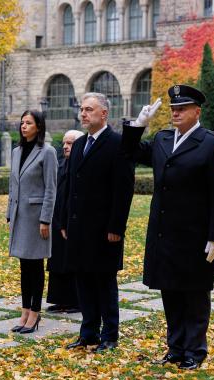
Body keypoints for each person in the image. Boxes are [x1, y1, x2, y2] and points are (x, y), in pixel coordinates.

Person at [121, 84, 214, 370]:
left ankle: (195, 350)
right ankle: (176, 347)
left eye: (182, 109)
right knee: (170, 291)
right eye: (173, 109)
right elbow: (129, 153)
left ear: (197, 112)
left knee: (194, 295)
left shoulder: (212, 143)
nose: (176, 113)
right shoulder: (162, 139)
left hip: (195, 235)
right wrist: (137, 125)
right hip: (164, 233)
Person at [61, 92, 135, 353]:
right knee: (83, 282)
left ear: (104, 114)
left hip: (104, 230)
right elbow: (70, 186)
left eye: (89, 109)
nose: (83, 114)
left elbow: (123, 190)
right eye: (81, 109)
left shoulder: (118, 144)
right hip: (79, 228)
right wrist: (64, 220)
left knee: (104, 283)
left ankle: (110, 335)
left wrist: (116, 227)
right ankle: (88, 333)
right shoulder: (80, 144)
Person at [6, 110, 58, 334]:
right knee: (24, 267)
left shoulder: (47, 152)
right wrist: (10, 214)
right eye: (22, 123)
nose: (23, 126)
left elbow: (51, 189)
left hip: (37, 219)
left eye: (28, 123)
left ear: (39, 126)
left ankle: (35, 313)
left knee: (35, 267)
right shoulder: (17, 151)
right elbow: (12, 185)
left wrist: (45, 219)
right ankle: (25, 310)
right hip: (19, 217)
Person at [46, 130, 84, 313]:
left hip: (74, 220)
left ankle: (76, 301)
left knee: (72, 261)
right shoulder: (60, 165)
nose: (65, 146)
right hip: (57, 219)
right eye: (64, 143)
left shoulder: (82, 166)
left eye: (70, 143)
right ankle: (60, 299)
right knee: (57, 260)